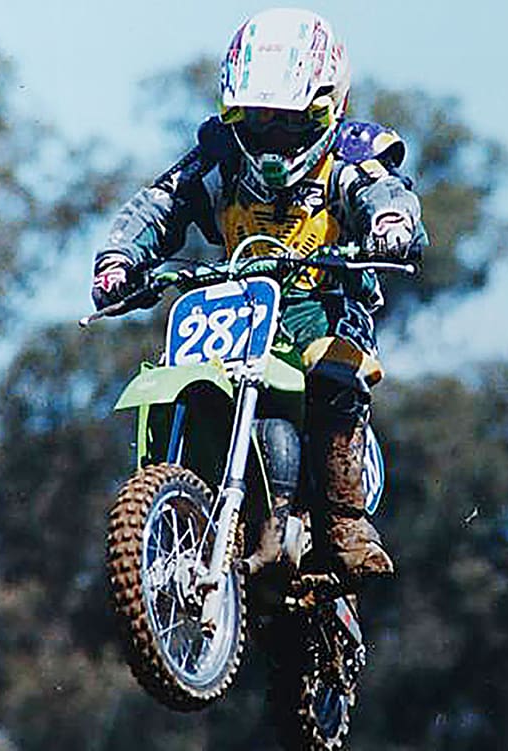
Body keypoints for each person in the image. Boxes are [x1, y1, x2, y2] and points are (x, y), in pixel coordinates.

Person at [91, 7, 427, 582]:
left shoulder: (350, 157)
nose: (272, 138)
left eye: (288, 122)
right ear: (234, 113)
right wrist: (120, 259)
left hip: (325, 306)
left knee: (332, 372)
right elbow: (161, 203)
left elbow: (386, 194)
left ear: (325, 109)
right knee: (176, 374)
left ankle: (345, 522)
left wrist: (391, 224)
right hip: (238, 304)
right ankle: (182, 505)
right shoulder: (219, 156)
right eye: (258, 120)